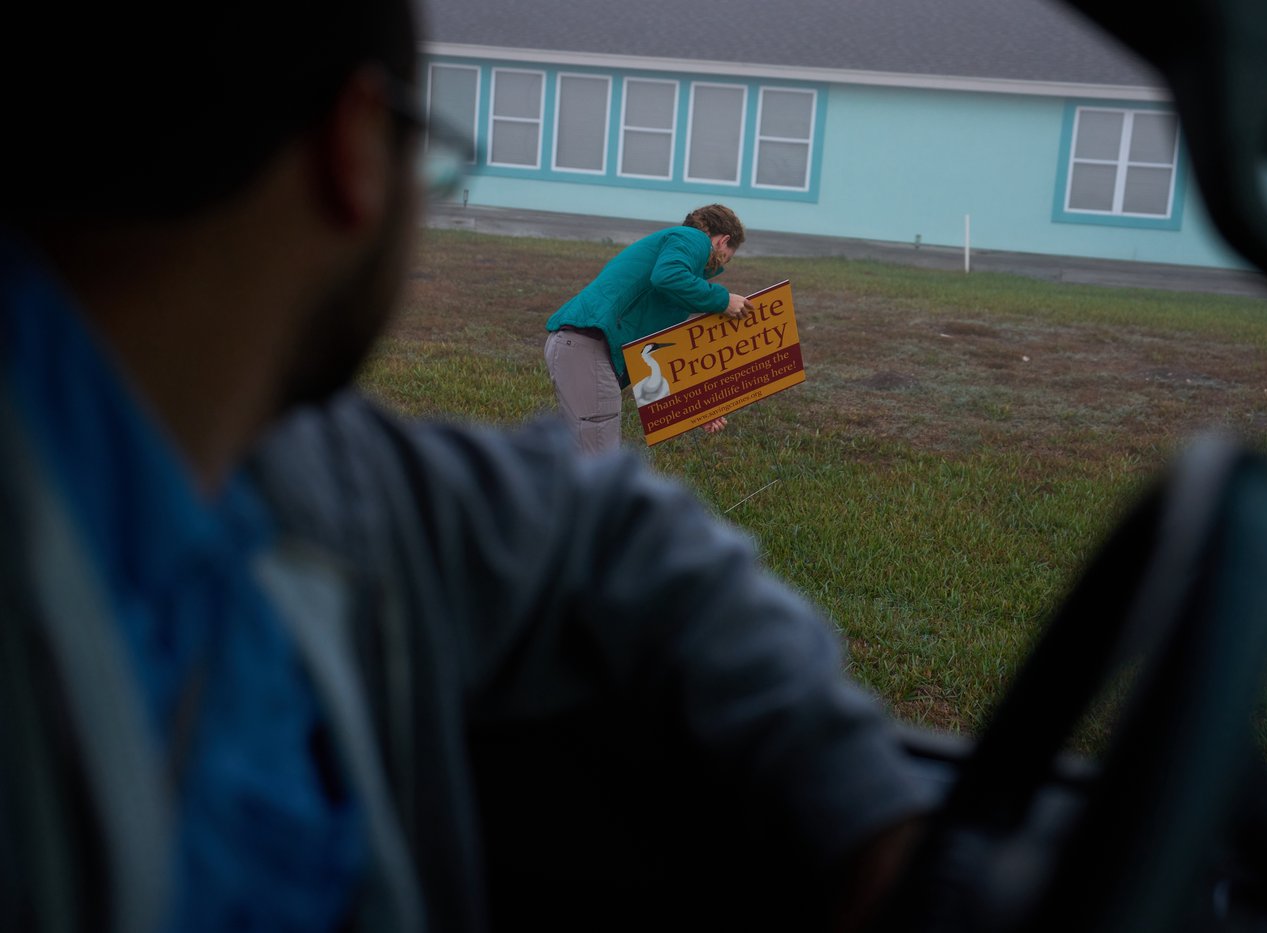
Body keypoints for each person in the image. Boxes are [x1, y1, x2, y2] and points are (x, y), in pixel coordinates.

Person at [0, 1, 932, 931]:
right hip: (580, 353)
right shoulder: (687, 242)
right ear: (358, 150)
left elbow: (605, 524)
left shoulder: (320, 469)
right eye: (430, 154)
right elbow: (625, 460)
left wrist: (705, 399)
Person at [543, 204, 755, 453]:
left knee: (582, 459)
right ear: (723, 241)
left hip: (579, 347)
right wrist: (723, 300)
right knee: (600, 464)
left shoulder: (674, 271)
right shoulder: (692, 238)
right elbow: (668, 276)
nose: (716, 268)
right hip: (587, 347)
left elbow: (656, 353)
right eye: (726, 258)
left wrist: (696, 406)